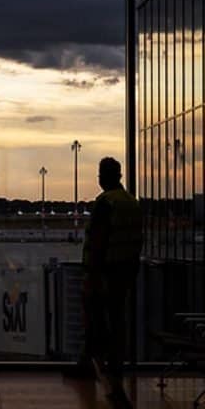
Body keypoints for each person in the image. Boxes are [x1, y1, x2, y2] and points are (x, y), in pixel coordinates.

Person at [81, 157, 142, 376]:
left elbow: (98, 241)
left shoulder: (106, 202)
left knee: (94, 319)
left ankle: (91, 364)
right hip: (125, 271)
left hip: (104, 272)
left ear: (104, 177)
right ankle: (116, 365)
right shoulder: (132, 202)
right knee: (117, 320)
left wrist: (92, 276)